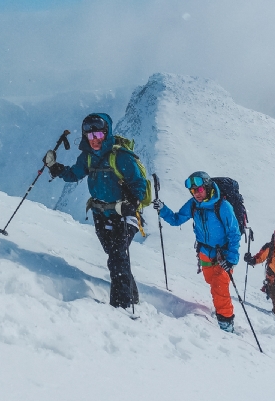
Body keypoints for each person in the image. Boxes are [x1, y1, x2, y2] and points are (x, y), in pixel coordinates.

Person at [43, 114, 147, 309]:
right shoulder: (87, 157)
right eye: (90, 136)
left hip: (124, 215)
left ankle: (121, 307)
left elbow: (139, 183)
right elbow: (74, 174)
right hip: (100, 214)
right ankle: (131, 296)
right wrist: (55, 167)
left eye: (98, 134)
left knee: (117, 257)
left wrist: (132, 202)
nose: (95, 139)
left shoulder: (121, 156)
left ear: (106, 133)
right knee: (116, 255)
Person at [153, 171, 241, 333]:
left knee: (220, 286)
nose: (196, 194)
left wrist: (232, 258)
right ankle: (220, 308)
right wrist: (163, 209)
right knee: (211, 281)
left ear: (207, 187)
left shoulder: (223, 206)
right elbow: (176, 219)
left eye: (199, 190)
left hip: (224, 254)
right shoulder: (193, 204)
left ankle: (226, 322)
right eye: (193, 191)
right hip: (205, 252)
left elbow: (234, 234)